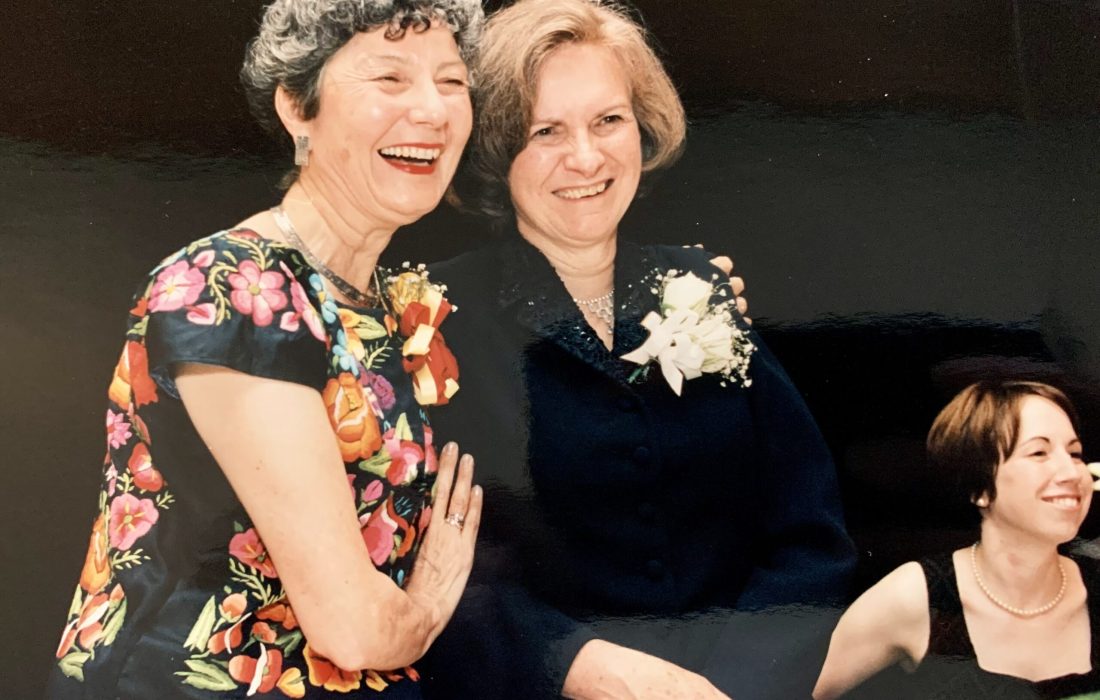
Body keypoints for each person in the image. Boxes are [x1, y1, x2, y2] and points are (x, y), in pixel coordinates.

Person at [47, 1, 486, 697]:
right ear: (296, 107)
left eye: (453, 82)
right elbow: (355, 629)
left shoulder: (383, 303)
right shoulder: (230, 288)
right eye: (391, 79)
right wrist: (430, 603)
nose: (432, 111)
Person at [421, 1, 856, 698]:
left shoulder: (700, 288)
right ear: (498, 148)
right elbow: (443, 564)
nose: (586, 158)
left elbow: (810, 530)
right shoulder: (435, 318)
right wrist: (574, 665)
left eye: (608, 120)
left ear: (643, 126)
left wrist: (738, 681)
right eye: (546, 131)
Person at [814, 380, 1100, 699]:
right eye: (1039, 452)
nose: (1072, 473)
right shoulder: (916, 596)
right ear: (980, 487)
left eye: (1074, 453)